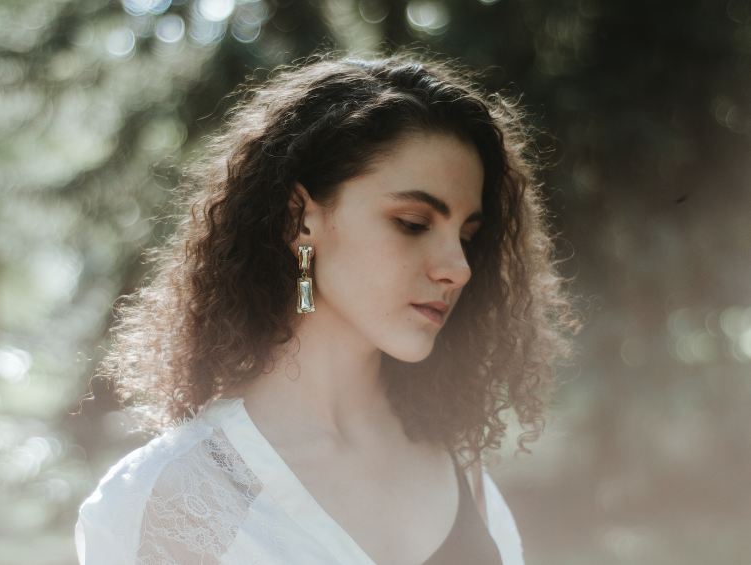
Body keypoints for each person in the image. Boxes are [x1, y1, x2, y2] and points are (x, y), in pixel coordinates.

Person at [74, 51, 579, 565]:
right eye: (413, 222)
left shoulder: (456, 461)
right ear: (299, 220)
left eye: (467, 236)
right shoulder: (173, 498)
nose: (459, 267)